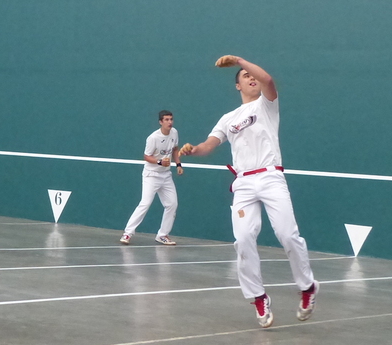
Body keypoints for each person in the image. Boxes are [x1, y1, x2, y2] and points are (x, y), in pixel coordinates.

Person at [179, 56, 317, 328]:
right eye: (244, 76)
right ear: (237, 86)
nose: (251, 77)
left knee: (287, 235)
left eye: (251, 74)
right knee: (243, 239)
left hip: (270, 177)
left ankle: (307, 287)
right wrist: (193, 150)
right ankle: (258, 297)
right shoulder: (228, 119)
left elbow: (268, 80)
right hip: (243, 183)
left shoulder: (267, 105)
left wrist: (239, 61)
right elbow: (209, 144)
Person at [120, 110, 183, 246]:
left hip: (166, 175)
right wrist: (159, 162)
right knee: (145, 203)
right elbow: (146, 156)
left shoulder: (174, 133)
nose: (170, 122)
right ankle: (127, 233)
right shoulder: (153, 138)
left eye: (171, 119)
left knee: (172, 204)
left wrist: (178, 164)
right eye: (166, 120)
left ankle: (162, 235)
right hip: (151, 175)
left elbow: (175, 149)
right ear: (160, 122)